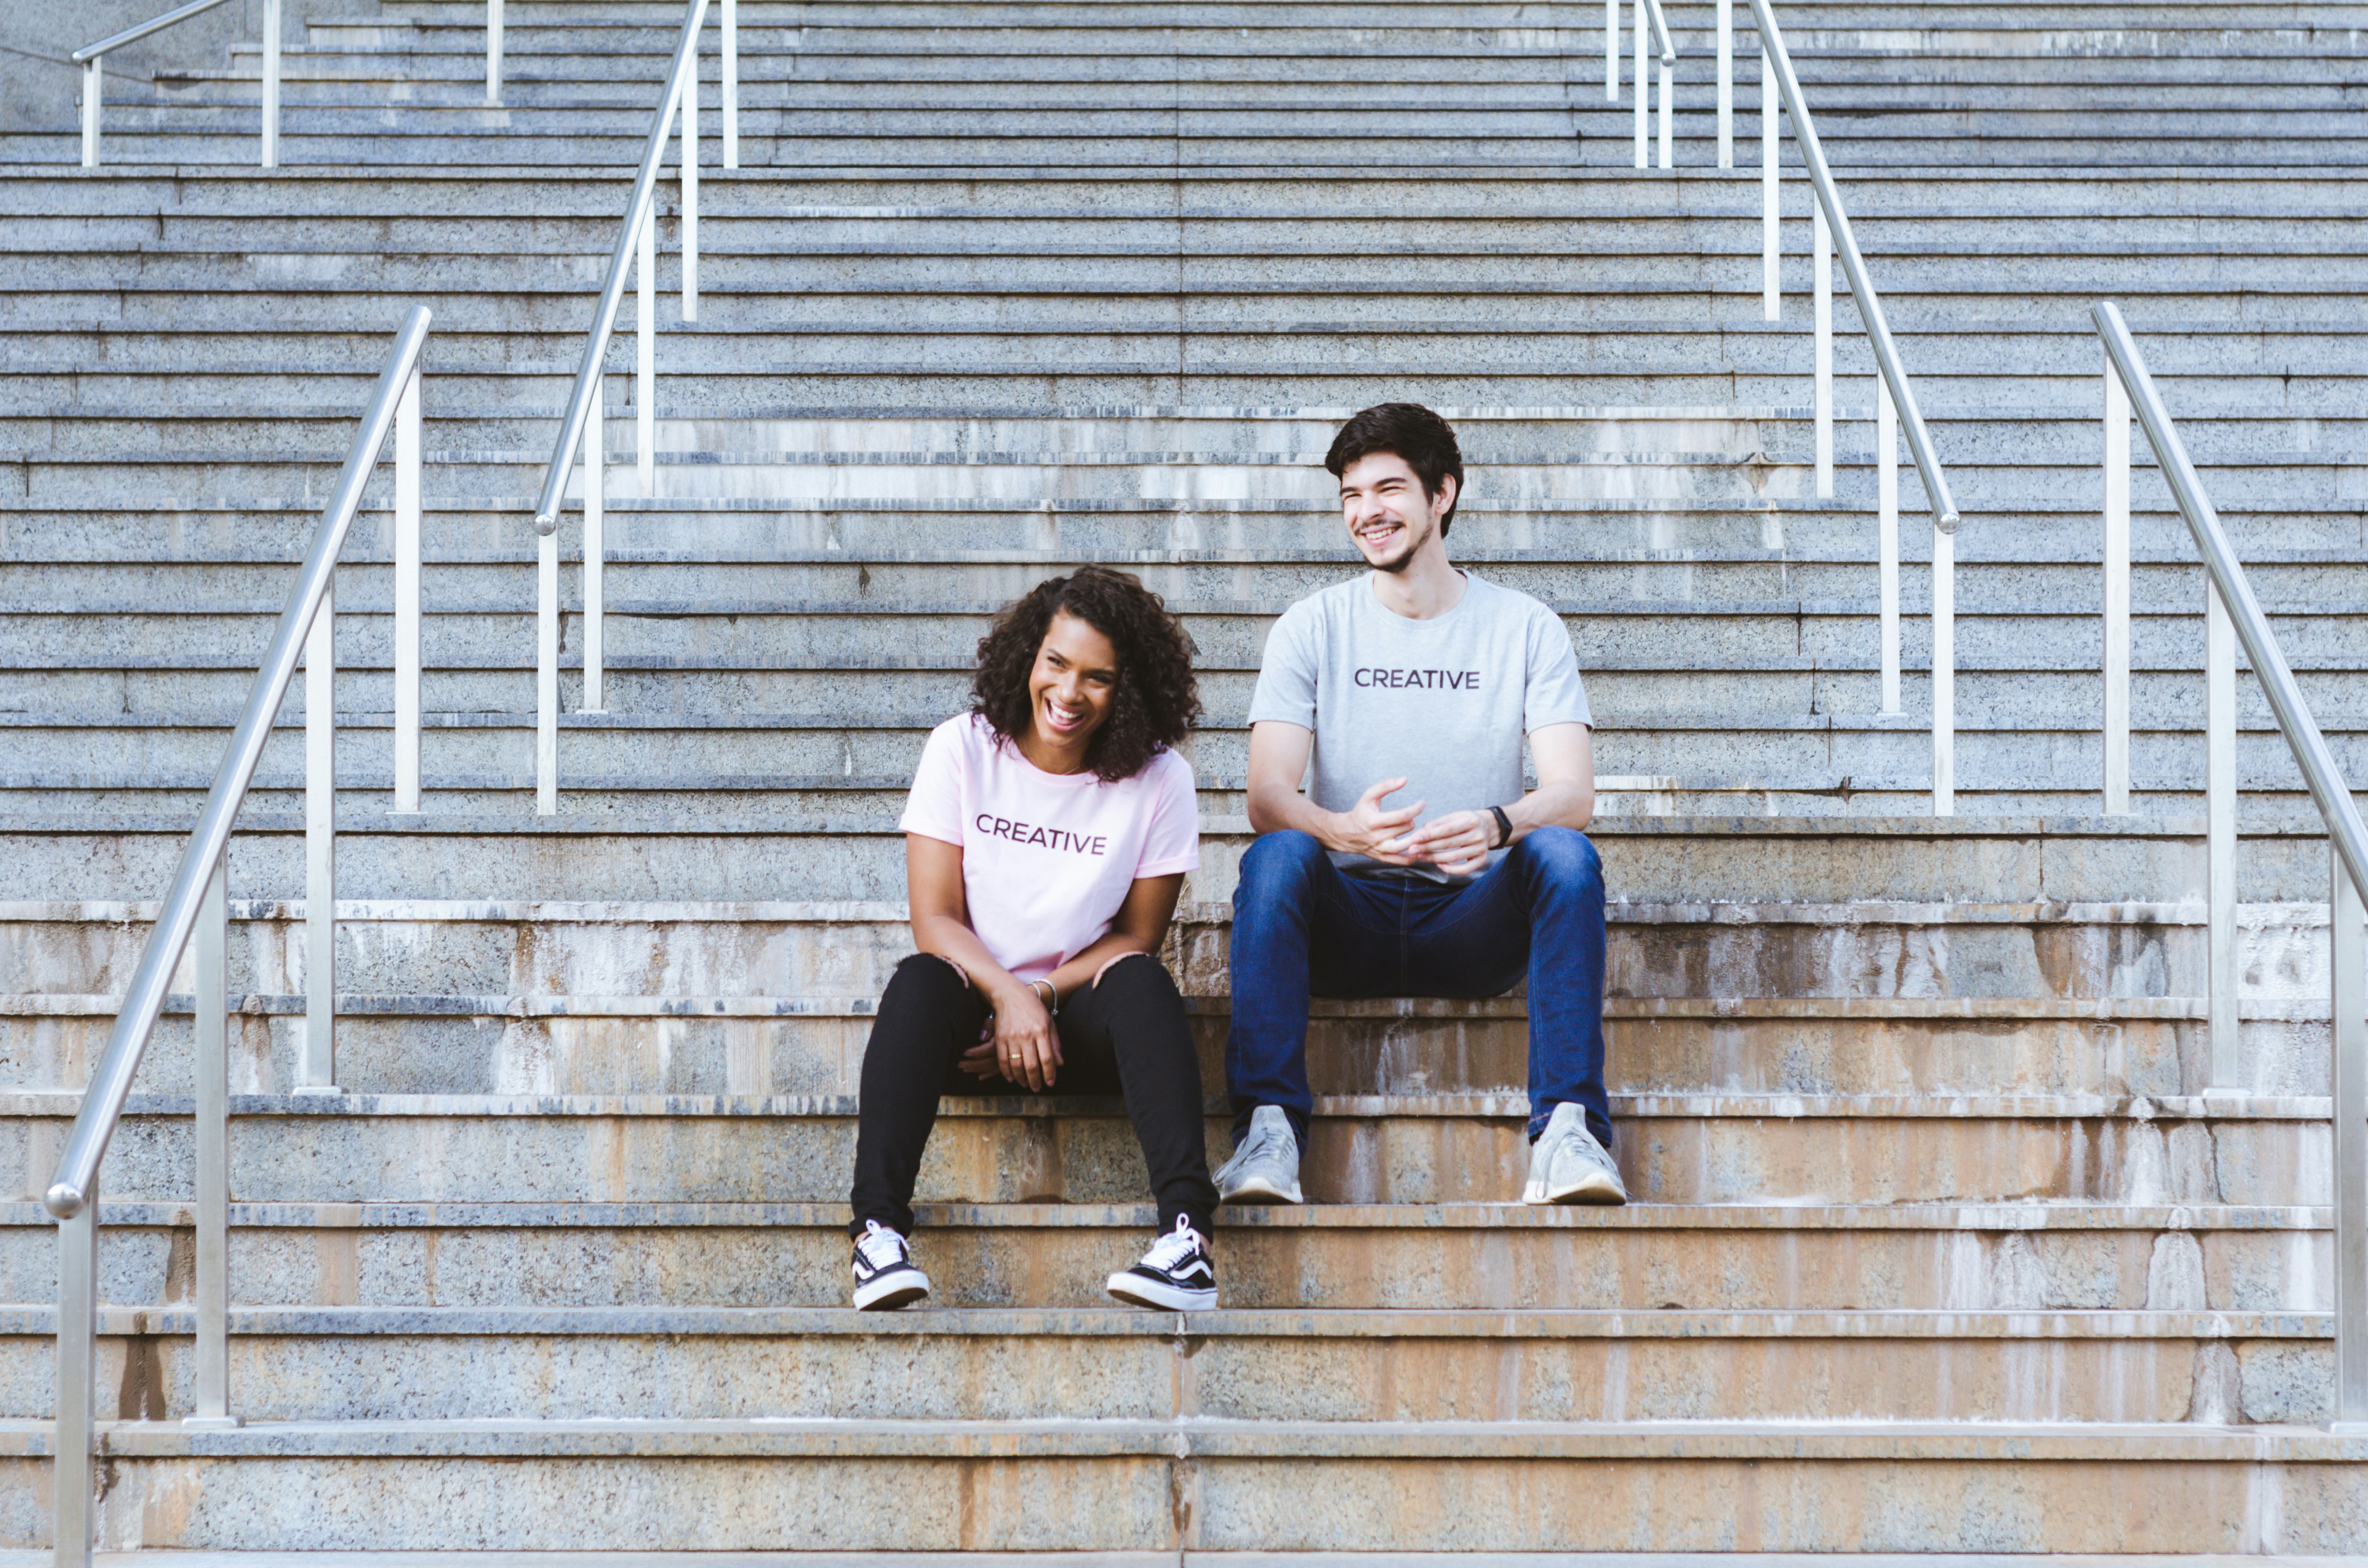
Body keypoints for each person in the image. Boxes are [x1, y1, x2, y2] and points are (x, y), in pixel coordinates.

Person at [1218, 402, 1625, 1209]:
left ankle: (1570, 1133)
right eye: (1350, 495)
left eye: (1388, 488)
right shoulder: (1312, 626)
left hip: (1472, 917)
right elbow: (1267, 796)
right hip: (1347, 918)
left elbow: (1573, 793)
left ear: (1443, 493)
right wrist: (1343, 829)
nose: (1366, 512)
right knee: (1277, 856)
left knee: (1564, 856)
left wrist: (1496, 824)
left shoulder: (1524, 626)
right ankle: (1268, 1131)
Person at [846, 565, 1222, 1311]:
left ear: (1130, 689)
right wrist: (1010, 996)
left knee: (1145, 981)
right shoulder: (963, 748)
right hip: (971, 1026)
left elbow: (1137, 938)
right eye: (1056, 663)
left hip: (1079, 1028)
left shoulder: (1159, 779)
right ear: (1028, 657)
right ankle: (876, 1236)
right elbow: (937, 919)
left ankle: (1188, 1241)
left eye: (1098, 678)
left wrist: (1044, 995)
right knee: (921, 978)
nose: (1069, 693)